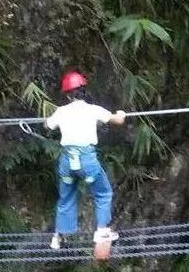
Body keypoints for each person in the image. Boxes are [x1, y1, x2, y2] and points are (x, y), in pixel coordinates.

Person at [44, 71, 127, 250]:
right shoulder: (93, 109)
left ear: (67, 94)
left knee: (66, 197)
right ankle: (102, 230)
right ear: (84, 90)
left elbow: (47, 125)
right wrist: (121, 113)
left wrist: (54, 120)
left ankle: (57, 237)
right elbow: (118, 120)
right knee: (103, 193)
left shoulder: (61, 111)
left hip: (67, 163)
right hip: (87, 161)